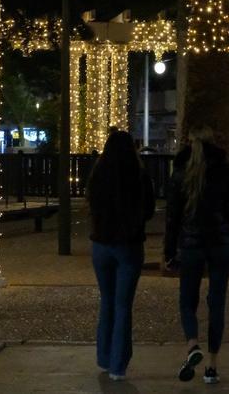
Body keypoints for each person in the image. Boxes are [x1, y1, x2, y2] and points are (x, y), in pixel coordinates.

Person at [164, 129, 229, 384]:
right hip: (220, 242)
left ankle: (193, 344)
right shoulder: (226, 172)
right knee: (217, 302)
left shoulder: (181, 174)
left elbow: (172, 217)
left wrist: (169, 252)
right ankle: (212, 366)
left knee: (187, 300)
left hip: (191, 244)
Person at [86, 130, 156, 382]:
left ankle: (104, 357)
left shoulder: (98, 175)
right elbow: (148, 209)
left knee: (107, 300)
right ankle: (118, 364)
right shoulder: (139, 176)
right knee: (123, 305)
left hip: (101, 244)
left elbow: (91, 204)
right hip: (128, 244)